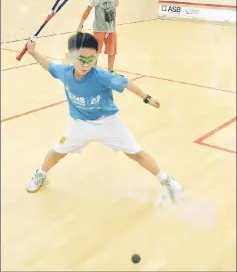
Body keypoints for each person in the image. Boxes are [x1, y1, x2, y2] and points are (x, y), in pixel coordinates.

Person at [25, 32, 183, 202]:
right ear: (70, 56)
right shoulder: (63, 72)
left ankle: (166, 180)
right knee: (57, 152)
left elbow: (127, 83)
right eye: (81, 59)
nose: (86, 64)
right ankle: (41, 174)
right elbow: (48, 65)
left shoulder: (102, 76)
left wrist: (147, 98)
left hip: (109, 122)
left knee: (135, 153)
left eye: (90, 59)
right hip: (80, 123)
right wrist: (32, 52)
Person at [76, 0, 119, 74]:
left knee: (112, 52)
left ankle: (110, 71)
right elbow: (87, 11)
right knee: (95, 52)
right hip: (99, 29)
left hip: (111, 30)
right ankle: (93, 72)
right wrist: (80, 25)